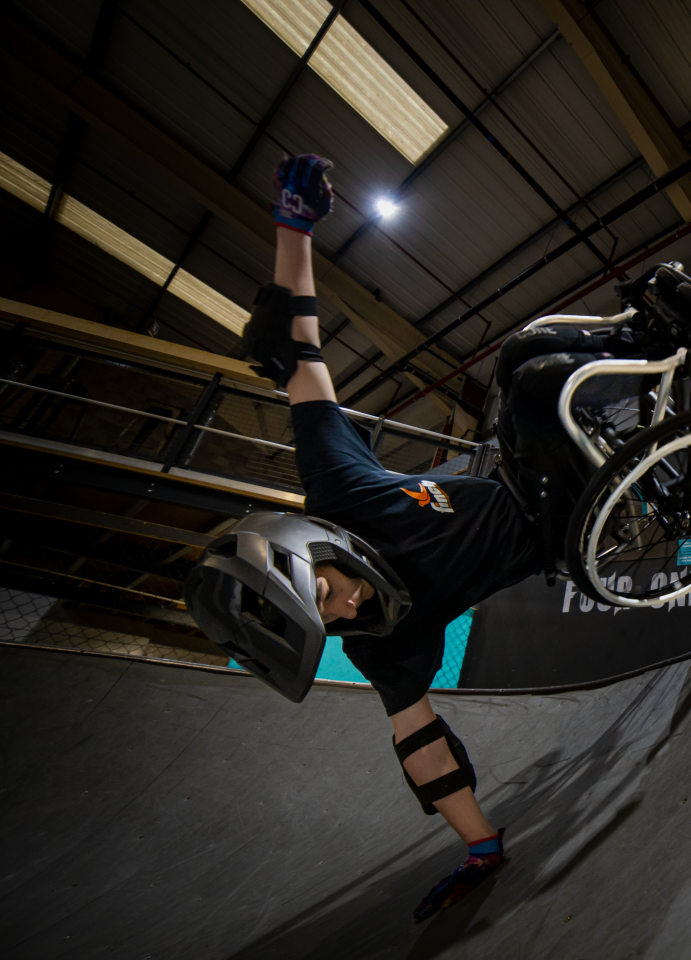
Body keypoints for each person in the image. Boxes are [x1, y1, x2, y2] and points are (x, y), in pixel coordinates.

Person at [185, 155, 544, 923]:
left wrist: (293, 225)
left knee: (526, 363)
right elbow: (420, 742)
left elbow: (298, 354)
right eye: (333, 619)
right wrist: (480, 845)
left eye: (328, 591)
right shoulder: (378, 644)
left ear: (311, 546)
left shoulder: (333, 483)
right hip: (556, 536)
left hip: (514, 465)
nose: (351, 605)